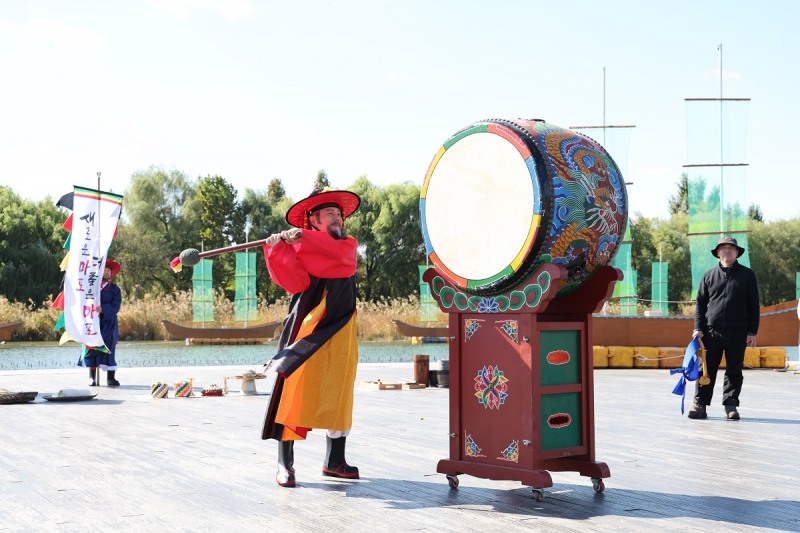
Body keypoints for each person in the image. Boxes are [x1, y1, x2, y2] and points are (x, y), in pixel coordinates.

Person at [260, 186, 361, 487]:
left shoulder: (346, 245)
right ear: (313, 220)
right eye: (329, 214)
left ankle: (335, 461)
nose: (337, 219)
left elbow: (337, 256)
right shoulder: (302, 246)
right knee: (294, 390)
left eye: (338, 214)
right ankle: (284, 464)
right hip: (308, 325)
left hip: (341, 325)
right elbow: (293, 280)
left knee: (340, 390)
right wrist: (277, 248)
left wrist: (303, 239)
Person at [689, 237, 759, 420]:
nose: (727, 250)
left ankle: (731, 405)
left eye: (731, 248)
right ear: (718, 253)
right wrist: (698, 328)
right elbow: (700, 305)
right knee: (707, 369)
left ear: (737, 253)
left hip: (739, 332)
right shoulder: (708, 276)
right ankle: (700, 404)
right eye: (723, 248)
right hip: (711, 332)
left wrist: (752, 332)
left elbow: (754, 305)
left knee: (734, 370)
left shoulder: (747, 275)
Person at [78, 259, 123, 387]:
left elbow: (116, 305)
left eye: (109, 270)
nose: (107, 272)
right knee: (91, 347)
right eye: (104, 270)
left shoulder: (115, 289)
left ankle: (110, 378)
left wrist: (103, 309)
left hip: (109, 322)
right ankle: (91, 377)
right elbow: (84, 300)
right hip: (93, 321)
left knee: (109, 348)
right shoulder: (92, 288)